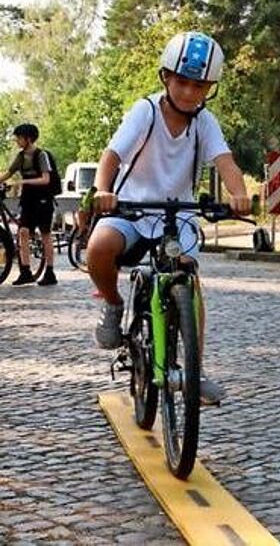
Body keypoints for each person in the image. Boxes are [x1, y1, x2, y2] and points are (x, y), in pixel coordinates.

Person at [87, 31, 251, 405]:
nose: (190, 93)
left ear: (211, 87)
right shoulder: (145, 111)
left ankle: (194, 370)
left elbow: (226, 162)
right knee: (99, 247)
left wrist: (239, 195)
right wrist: (102, 191)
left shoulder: (205, 122)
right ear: (165, 77)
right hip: (130, 207)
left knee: (188, 279)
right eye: (182, 82)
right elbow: (111, 156)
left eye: (200, 85)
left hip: (176, 216)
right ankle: (113, 305)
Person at [0, 123, 57, 286]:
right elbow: (8, 173)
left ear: (28, 139)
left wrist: (22, 181)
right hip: (28, 199)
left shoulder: (41, 155)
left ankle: (50, 272)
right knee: (23, 232)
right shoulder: (20, 156)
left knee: (45, 234)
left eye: (19, 138)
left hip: (43, 199)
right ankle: (25, 271)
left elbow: (46, 179)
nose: (17, 141)